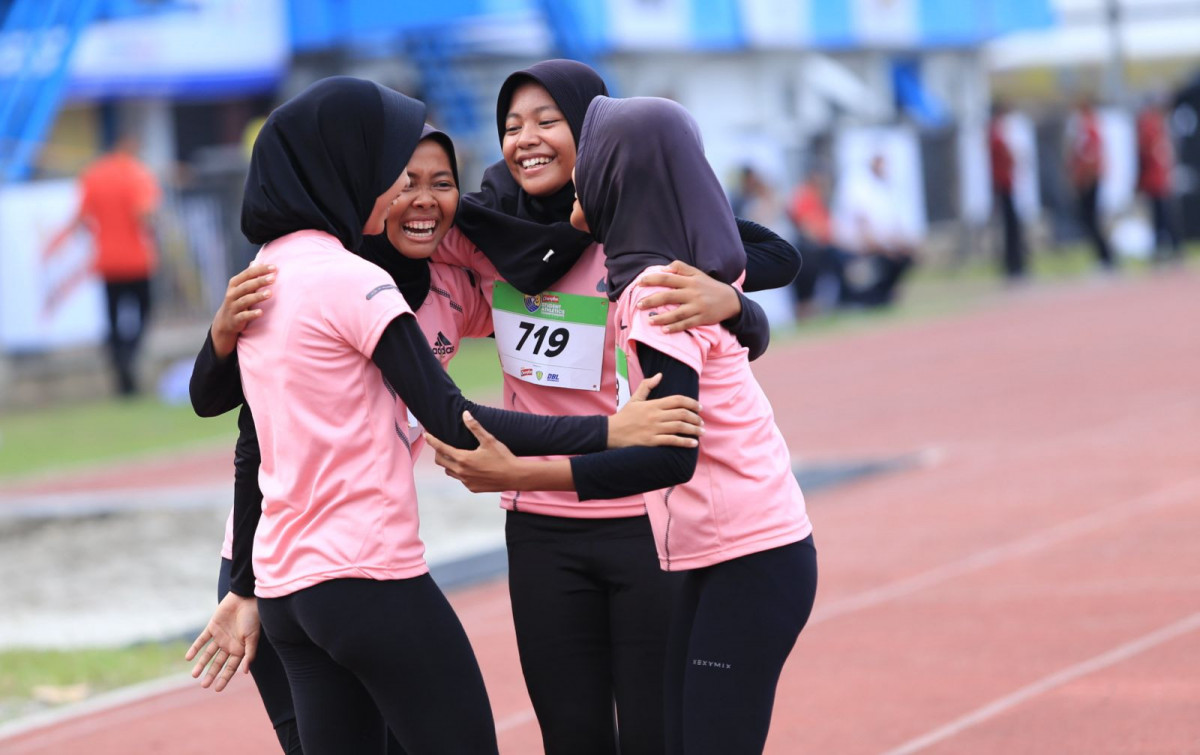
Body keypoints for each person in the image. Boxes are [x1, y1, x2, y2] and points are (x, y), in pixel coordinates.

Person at [183, 77, 702, 755]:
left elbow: (538, 273)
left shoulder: (318, 269)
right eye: (400, 177)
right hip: (324, 566)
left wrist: (716, 288)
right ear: (358, 174)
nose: (420, 197)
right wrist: (612, 430)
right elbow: (253, 432)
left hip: (291, 582)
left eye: (442, 182)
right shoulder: (345, 278)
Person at [427, 95, 818, 755]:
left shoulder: (658, 287)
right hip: (687, 544)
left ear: (613, 172)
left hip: (719, 541)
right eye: (511, 125)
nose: (528, 139)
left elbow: (669, 454)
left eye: (556, 126)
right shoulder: (519, 237)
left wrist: (735, 303)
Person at [47, 133, 161, 395]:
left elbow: (81, 217)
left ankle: (119, 360)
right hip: (137, 260)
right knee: (144, 312)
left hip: (107, 260)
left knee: (113, 317)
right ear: (131, 146)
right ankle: (129, 353)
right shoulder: (137, 173)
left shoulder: (93, 174)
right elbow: (144, 213)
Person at [830, 152, 916, 307]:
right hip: (857, 247)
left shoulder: (882, 188)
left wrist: (901, 244)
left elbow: (890, 224)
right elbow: (863, 228)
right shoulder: (858, 187)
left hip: (878, 245)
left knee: (905, 256)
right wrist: (885, 249)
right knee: (887, 260)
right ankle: (870, 297)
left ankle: (885, 294)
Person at [1066, 97, 1115, 270]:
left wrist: (1085, 177)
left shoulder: (1089, 128)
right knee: (1088, 219)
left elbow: (1090, 156)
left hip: (1089, 179)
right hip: (1086, 178)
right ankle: (1104, 256)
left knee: (1091, 218)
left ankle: (1106, 256)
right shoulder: (1084, 128)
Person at [1136, 100, 1182, 263]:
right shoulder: (1157, 125)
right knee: (1161, 216)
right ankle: (1168, 248)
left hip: (1156, 179)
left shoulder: (1151, 126)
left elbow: (1150, 154)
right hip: (1157, 178)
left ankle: (1170, 248)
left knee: (1163, 215)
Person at [990, 102, 1027, 280]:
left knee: (1013, 226)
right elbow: (1007, 156)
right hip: (1004, 185)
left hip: (1008, 185)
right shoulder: (997, 134)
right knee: (1010, 227)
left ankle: (1016, 264)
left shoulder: (1001, 133)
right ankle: (1014, 265)